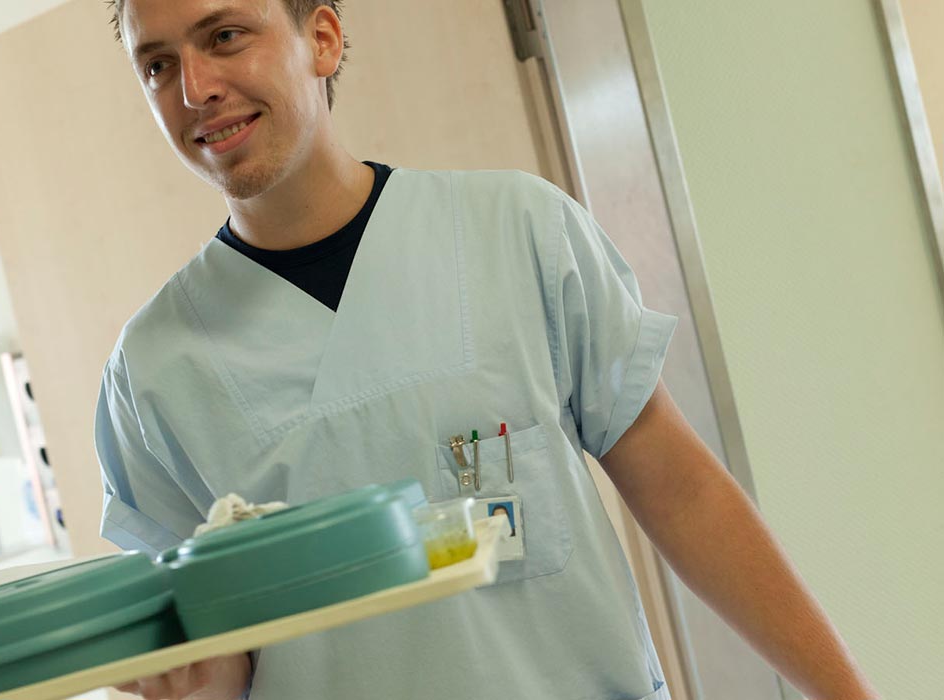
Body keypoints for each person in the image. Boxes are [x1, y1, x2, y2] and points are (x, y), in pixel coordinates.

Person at [93, 1, 879, 698]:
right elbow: (212, 659)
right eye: (158, 65)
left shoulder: (519, 231)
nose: (194, 88)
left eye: (225, 37)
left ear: (323, 39)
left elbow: (683, 494)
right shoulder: (154, 371)